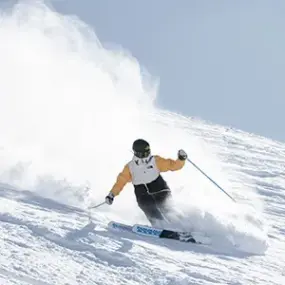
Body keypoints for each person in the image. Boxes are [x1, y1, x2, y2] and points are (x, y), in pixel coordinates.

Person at [105, 139, 188, 226]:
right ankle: (161, 226)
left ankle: (185, 225)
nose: (146, 156)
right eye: (143, 154)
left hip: (159, 188)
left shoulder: (156, 160)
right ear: (136, 153)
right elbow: (120, 182)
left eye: (148, 152)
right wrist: (112, 194)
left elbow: (173, 165)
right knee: (148, 207)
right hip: (142, 193)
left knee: (167, 208)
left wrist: (181, 159)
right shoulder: (130, 167)